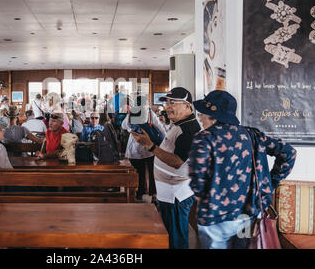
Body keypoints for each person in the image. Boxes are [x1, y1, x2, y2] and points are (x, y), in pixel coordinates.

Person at [189, 90, 297, 249]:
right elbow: (289, 153)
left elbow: (197, 181)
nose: (199, 117)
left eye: (202, 113)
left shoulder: (204, 138)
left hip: (216, 218)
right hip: (248, 214)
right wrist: (270, 184)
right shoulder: (253, 135)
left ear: (214, 115)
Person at [130, 87, 200, 249]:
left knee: (176, 238)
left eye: (173, 102)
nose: (168, 106)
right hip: (169, 192)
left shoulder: (188, 129)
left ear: (187, 106)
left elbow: (177, 162)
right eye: (167, 102)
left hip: (176, 194)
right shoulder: (179, 123)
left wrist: (150, 146)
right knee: (170, 234)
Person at [122, 96, 165, 203]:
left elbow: (124, 125)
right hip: (149, 147)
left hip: (137, 147)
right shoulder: (150, 113)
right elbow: (160, 128)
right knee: (151, 172)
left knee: (140, 172)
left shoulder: (133, 113)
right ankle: (153, 194)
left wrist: (131, 130)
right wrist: (165, 141)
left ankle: (140, 193)